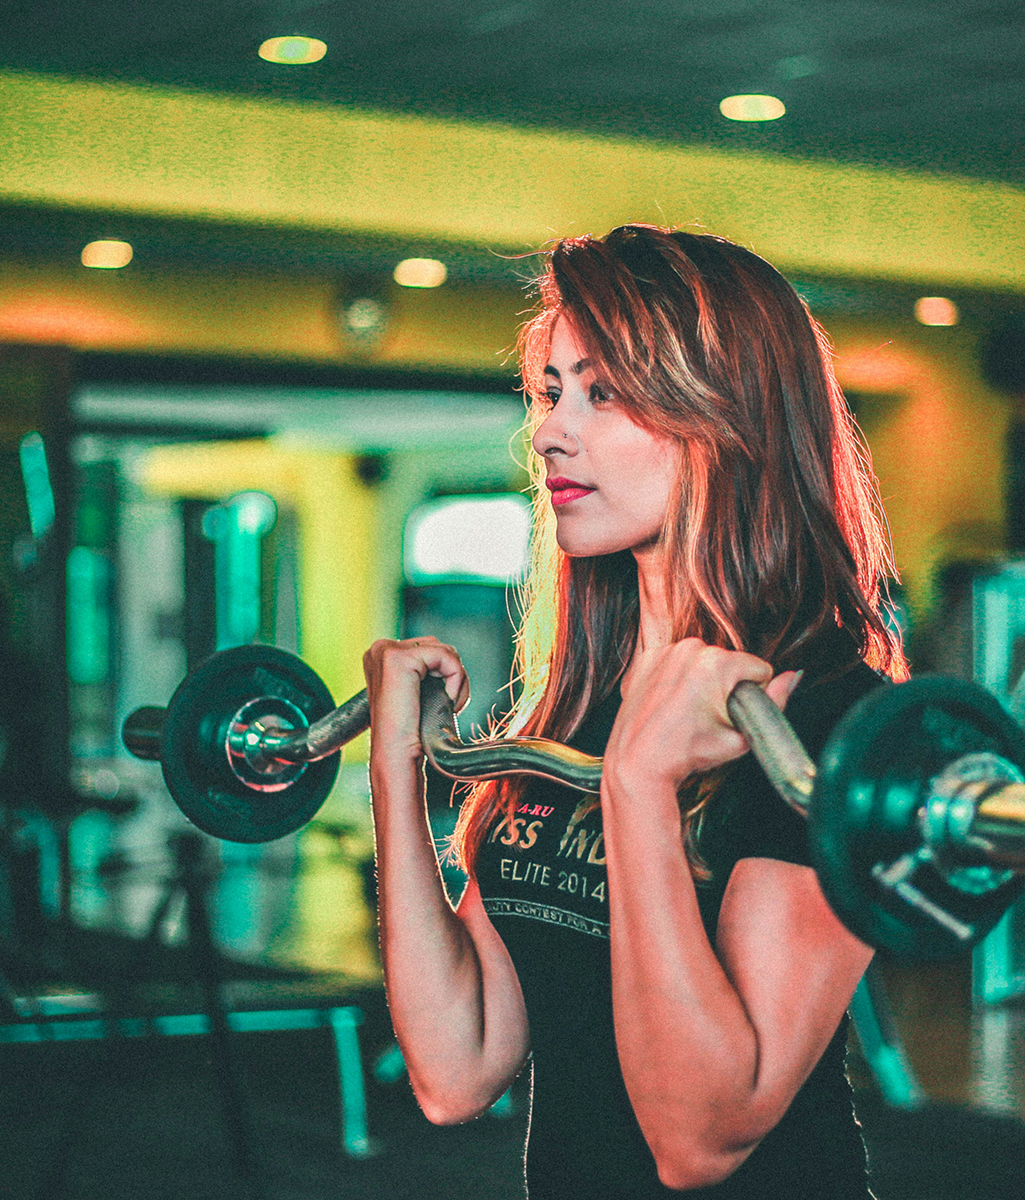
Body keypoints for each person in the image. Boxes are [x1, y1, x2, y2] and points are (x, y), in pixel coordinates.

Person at [363, 224, 909, 1197]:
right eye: (551, 391)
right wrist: (396, 770)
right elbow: (458, 1067)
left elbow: (701, 1139)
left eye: (603, 392)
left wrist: (641, 787)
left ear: (724, 414)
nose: (551, 430)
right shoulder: (576, 705)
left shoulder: (825, 721)